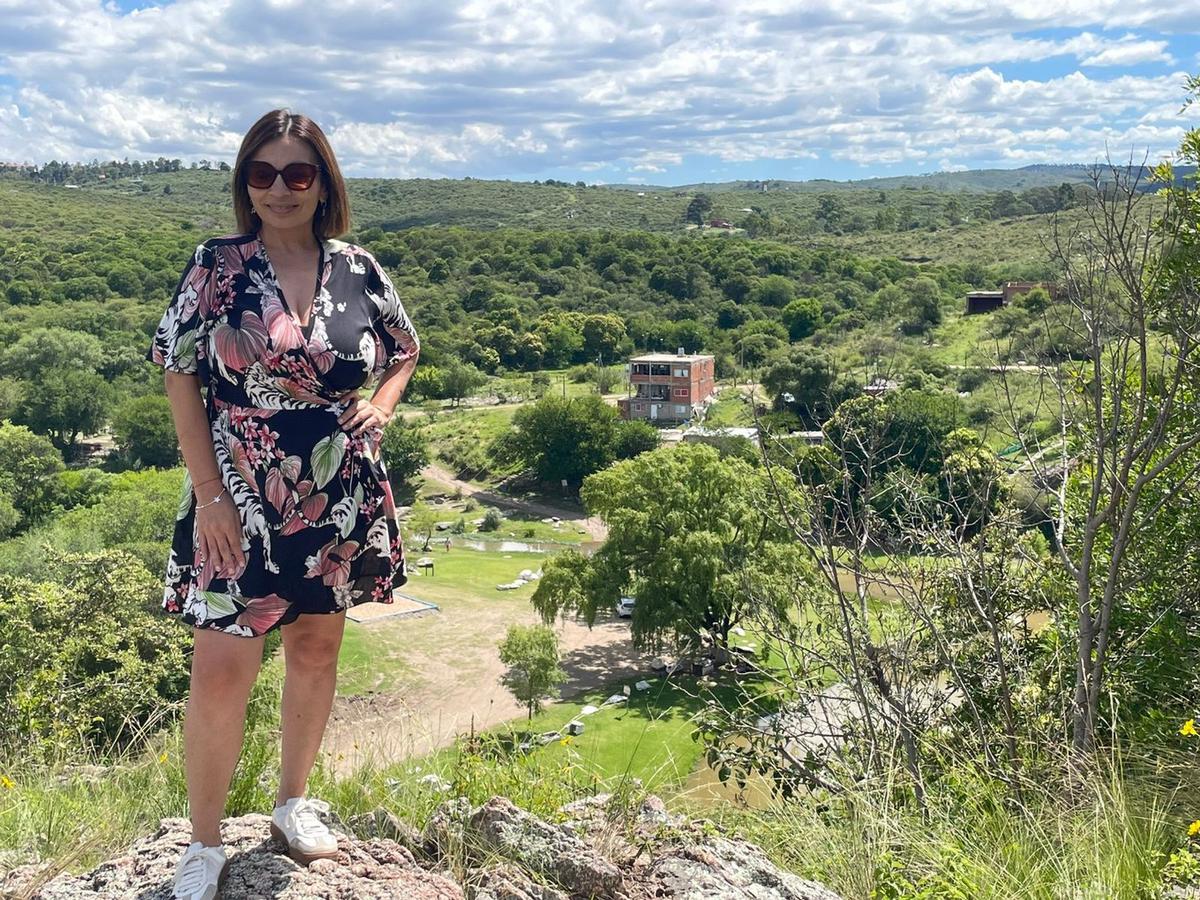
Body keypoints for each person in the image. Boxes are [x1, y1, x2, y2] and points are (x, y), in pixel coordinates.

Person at [147, 109, 419, 900]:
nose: (278, 188)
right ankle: (202, 844)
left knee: (317, 651)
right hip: (237, 492)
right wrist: (208, 497)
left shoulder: (359, 268)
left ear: (324, 182)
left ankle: (293, 804)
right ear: (245, 184)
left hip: (338, 488)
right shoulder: (218, 266)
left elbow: (404, 348)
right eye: (261, 173)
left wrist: (386, 402)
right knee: (224, 667)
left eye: (298, 173)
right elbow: (177, 370)